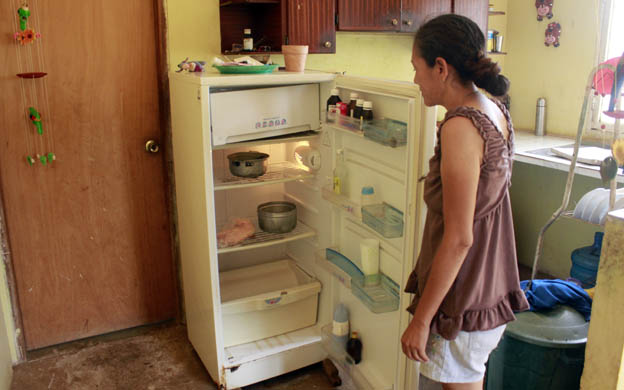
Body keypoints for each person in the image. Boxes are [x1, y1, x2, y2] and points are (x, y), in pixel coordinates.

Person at [401, 14, 530, 390]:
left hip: (464, 297)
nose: (415, 79)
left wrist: (422, 319)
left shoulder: (460, 125)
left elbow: (459, 238)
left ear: (440, 68)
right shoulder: (494, 110)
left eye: (416, 68)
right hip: (489, 287)